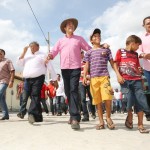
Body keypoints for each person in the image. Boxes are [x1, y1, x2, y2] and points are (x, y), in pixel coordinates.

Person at [47, 18, 91, 130]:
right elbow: (54, 51)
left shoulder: (79, 39)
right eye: (68, 24)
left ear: (74, 28)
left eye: (72, 24)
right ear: (65, 28)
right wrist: (50, 55)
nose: (71, 25)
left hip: (76, 68)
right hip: (64, 69)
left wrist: (99, 48)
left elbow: (89, 49)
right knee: (68, 92)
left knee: (73, 91)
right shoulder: (60, 41)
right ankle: (73, 114)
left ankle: (75, 117)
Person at [114, 35, 150, 133]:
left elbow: (138, 67)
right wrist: (118, 76)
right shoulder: (120, 51)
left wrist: (141, 75)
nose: (138, 48)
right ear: (132, 43)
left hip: (137, 79)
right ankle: (129, 117)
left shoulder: (135, 55)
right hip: (125, 80)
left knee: (140, 100)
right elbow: (115, 64)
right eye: (137, 46)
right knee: (128, 99)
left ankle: (140, 125)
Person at [17, 41, 57, 124]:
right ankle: (38, 117)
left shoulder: (43, 55)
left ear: (38, 47)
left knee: (35, 95)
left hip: (38, 78)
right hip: (27, 79)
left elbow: (50, 66)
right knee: (28, 96)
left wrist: (54, 79)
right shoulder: (27, 56)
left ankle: (31, 114)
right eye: (30, 47)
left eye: (33, 46)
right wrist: (24, 52)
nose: (32, 48)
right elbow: (19, 63)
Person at [83, 28, 115, 130]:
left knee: (108, 98)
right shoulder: (88, 52)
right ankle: (101, 121)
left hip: (105, 77)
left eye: (98, 36)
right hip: (93, 79)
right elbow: (86, 65)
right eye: (95, 36)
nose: (97, 37)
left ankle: (108, 118)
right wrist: (84, 76)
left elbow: (112, 63)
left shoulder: (106, 49)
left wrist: (118, 74)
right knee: (97, 101)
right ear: (91, 40)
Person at [138, 16, 150, 121]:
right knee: (148, 91)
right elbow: (138, 51)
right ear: (144, 25)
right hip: (147, 69)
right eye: (148, 23)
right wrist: (143, 54)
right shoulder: (141, 38)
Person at [79, 51, 96, 121]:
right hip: (80, 81)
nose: (80, 54)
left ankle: (93, 112)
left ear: (83, 53)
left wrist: (89, 77)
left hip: (89, 81)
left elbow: (93, 70)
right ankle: (86, 115)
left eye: (81, 53)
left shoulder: (88, 61)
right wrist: (83, 76)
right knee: (82, 99)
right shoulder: (76, 63)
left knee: (91, 97)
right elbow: (76, 72)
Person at [0, 49, 15, 120]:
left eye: (1, 54)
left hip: (4, 81)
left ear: (3, 54)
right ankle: (5, 115)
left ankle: (5, 114)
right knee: (2, 99)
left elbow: (12, 71)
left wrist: (11, 81)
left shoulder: (7, 61)